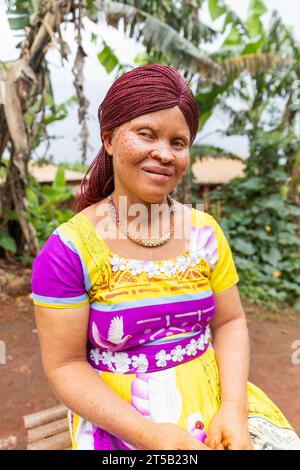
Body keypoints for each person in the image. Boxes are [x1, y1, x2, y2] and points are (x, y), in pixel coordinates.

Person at [31, 64, 300, 450]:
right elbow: (65, 365)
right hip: (122, 425)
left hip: (218, 409)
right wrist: (149, 435)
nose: (164, 153)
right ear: (108, 138)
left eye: (178, 142)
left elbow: (230, 322)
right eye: (146, 134)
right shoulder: (68, 251)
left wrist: (234, 409)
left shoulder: (205, 233)